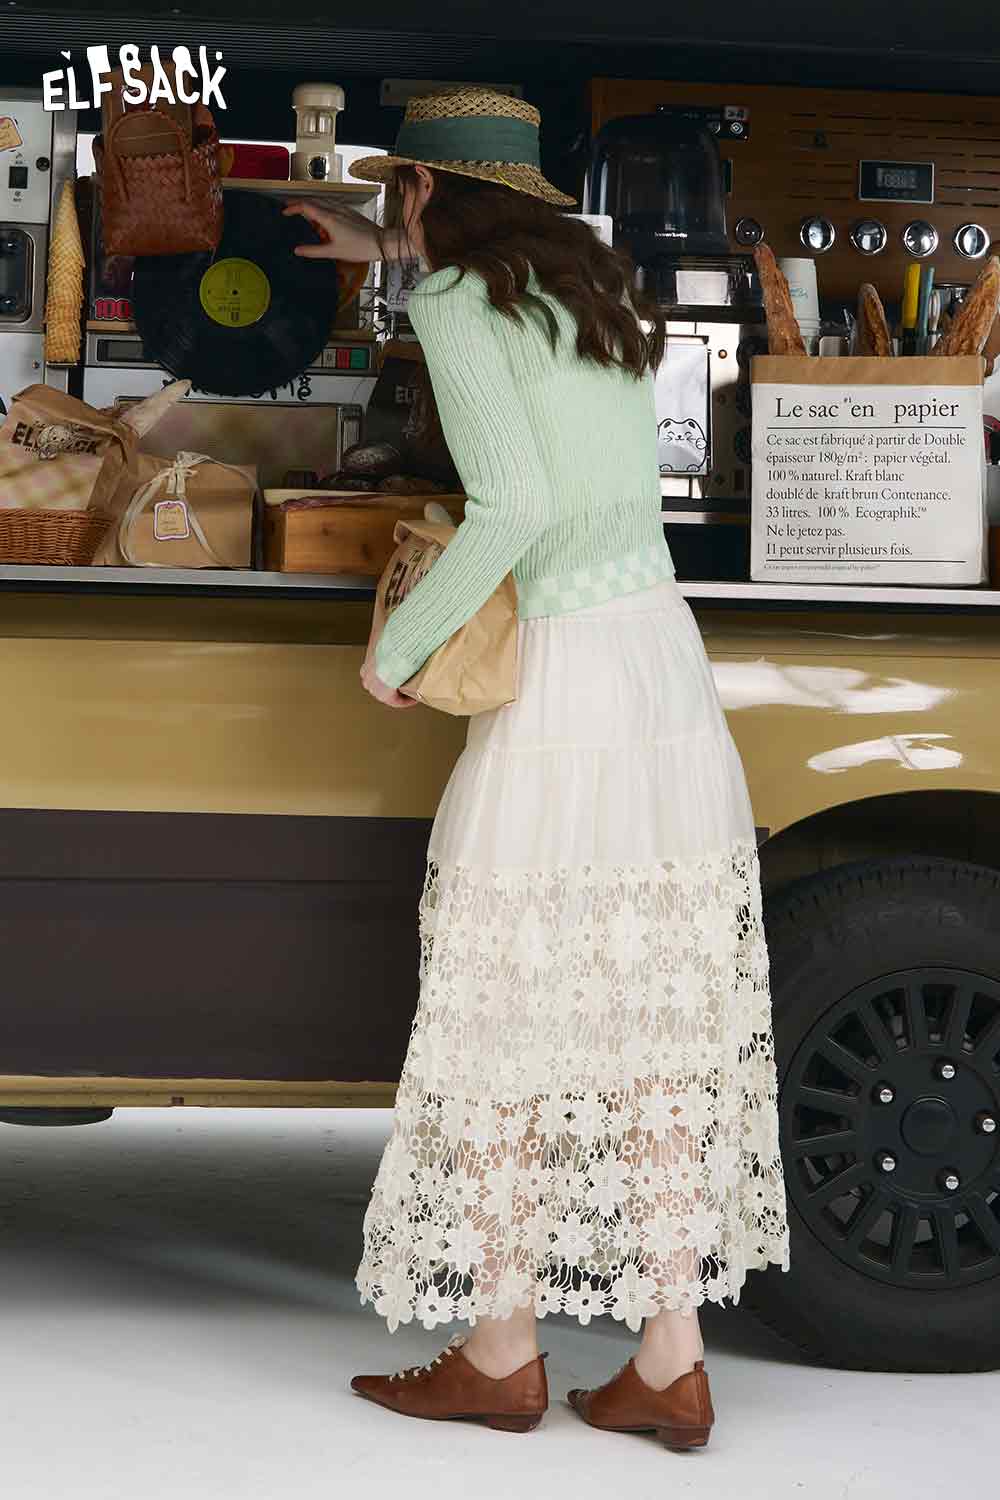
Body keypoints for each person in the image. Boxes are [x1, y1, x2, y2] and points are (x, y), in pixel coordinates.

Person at [285, 87, 789, 1449]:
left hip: (561, 677)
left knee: (504, 1010)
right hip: (659, 662)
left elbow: (512, 503)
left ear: (426, 192)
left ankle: (504, 1349)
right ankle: (671, 1361)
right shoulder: (594, 290)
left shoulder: (458, 306)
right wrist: (374, 248)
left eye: (395, 193)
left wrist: (402, 649)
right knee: (653, 1021)